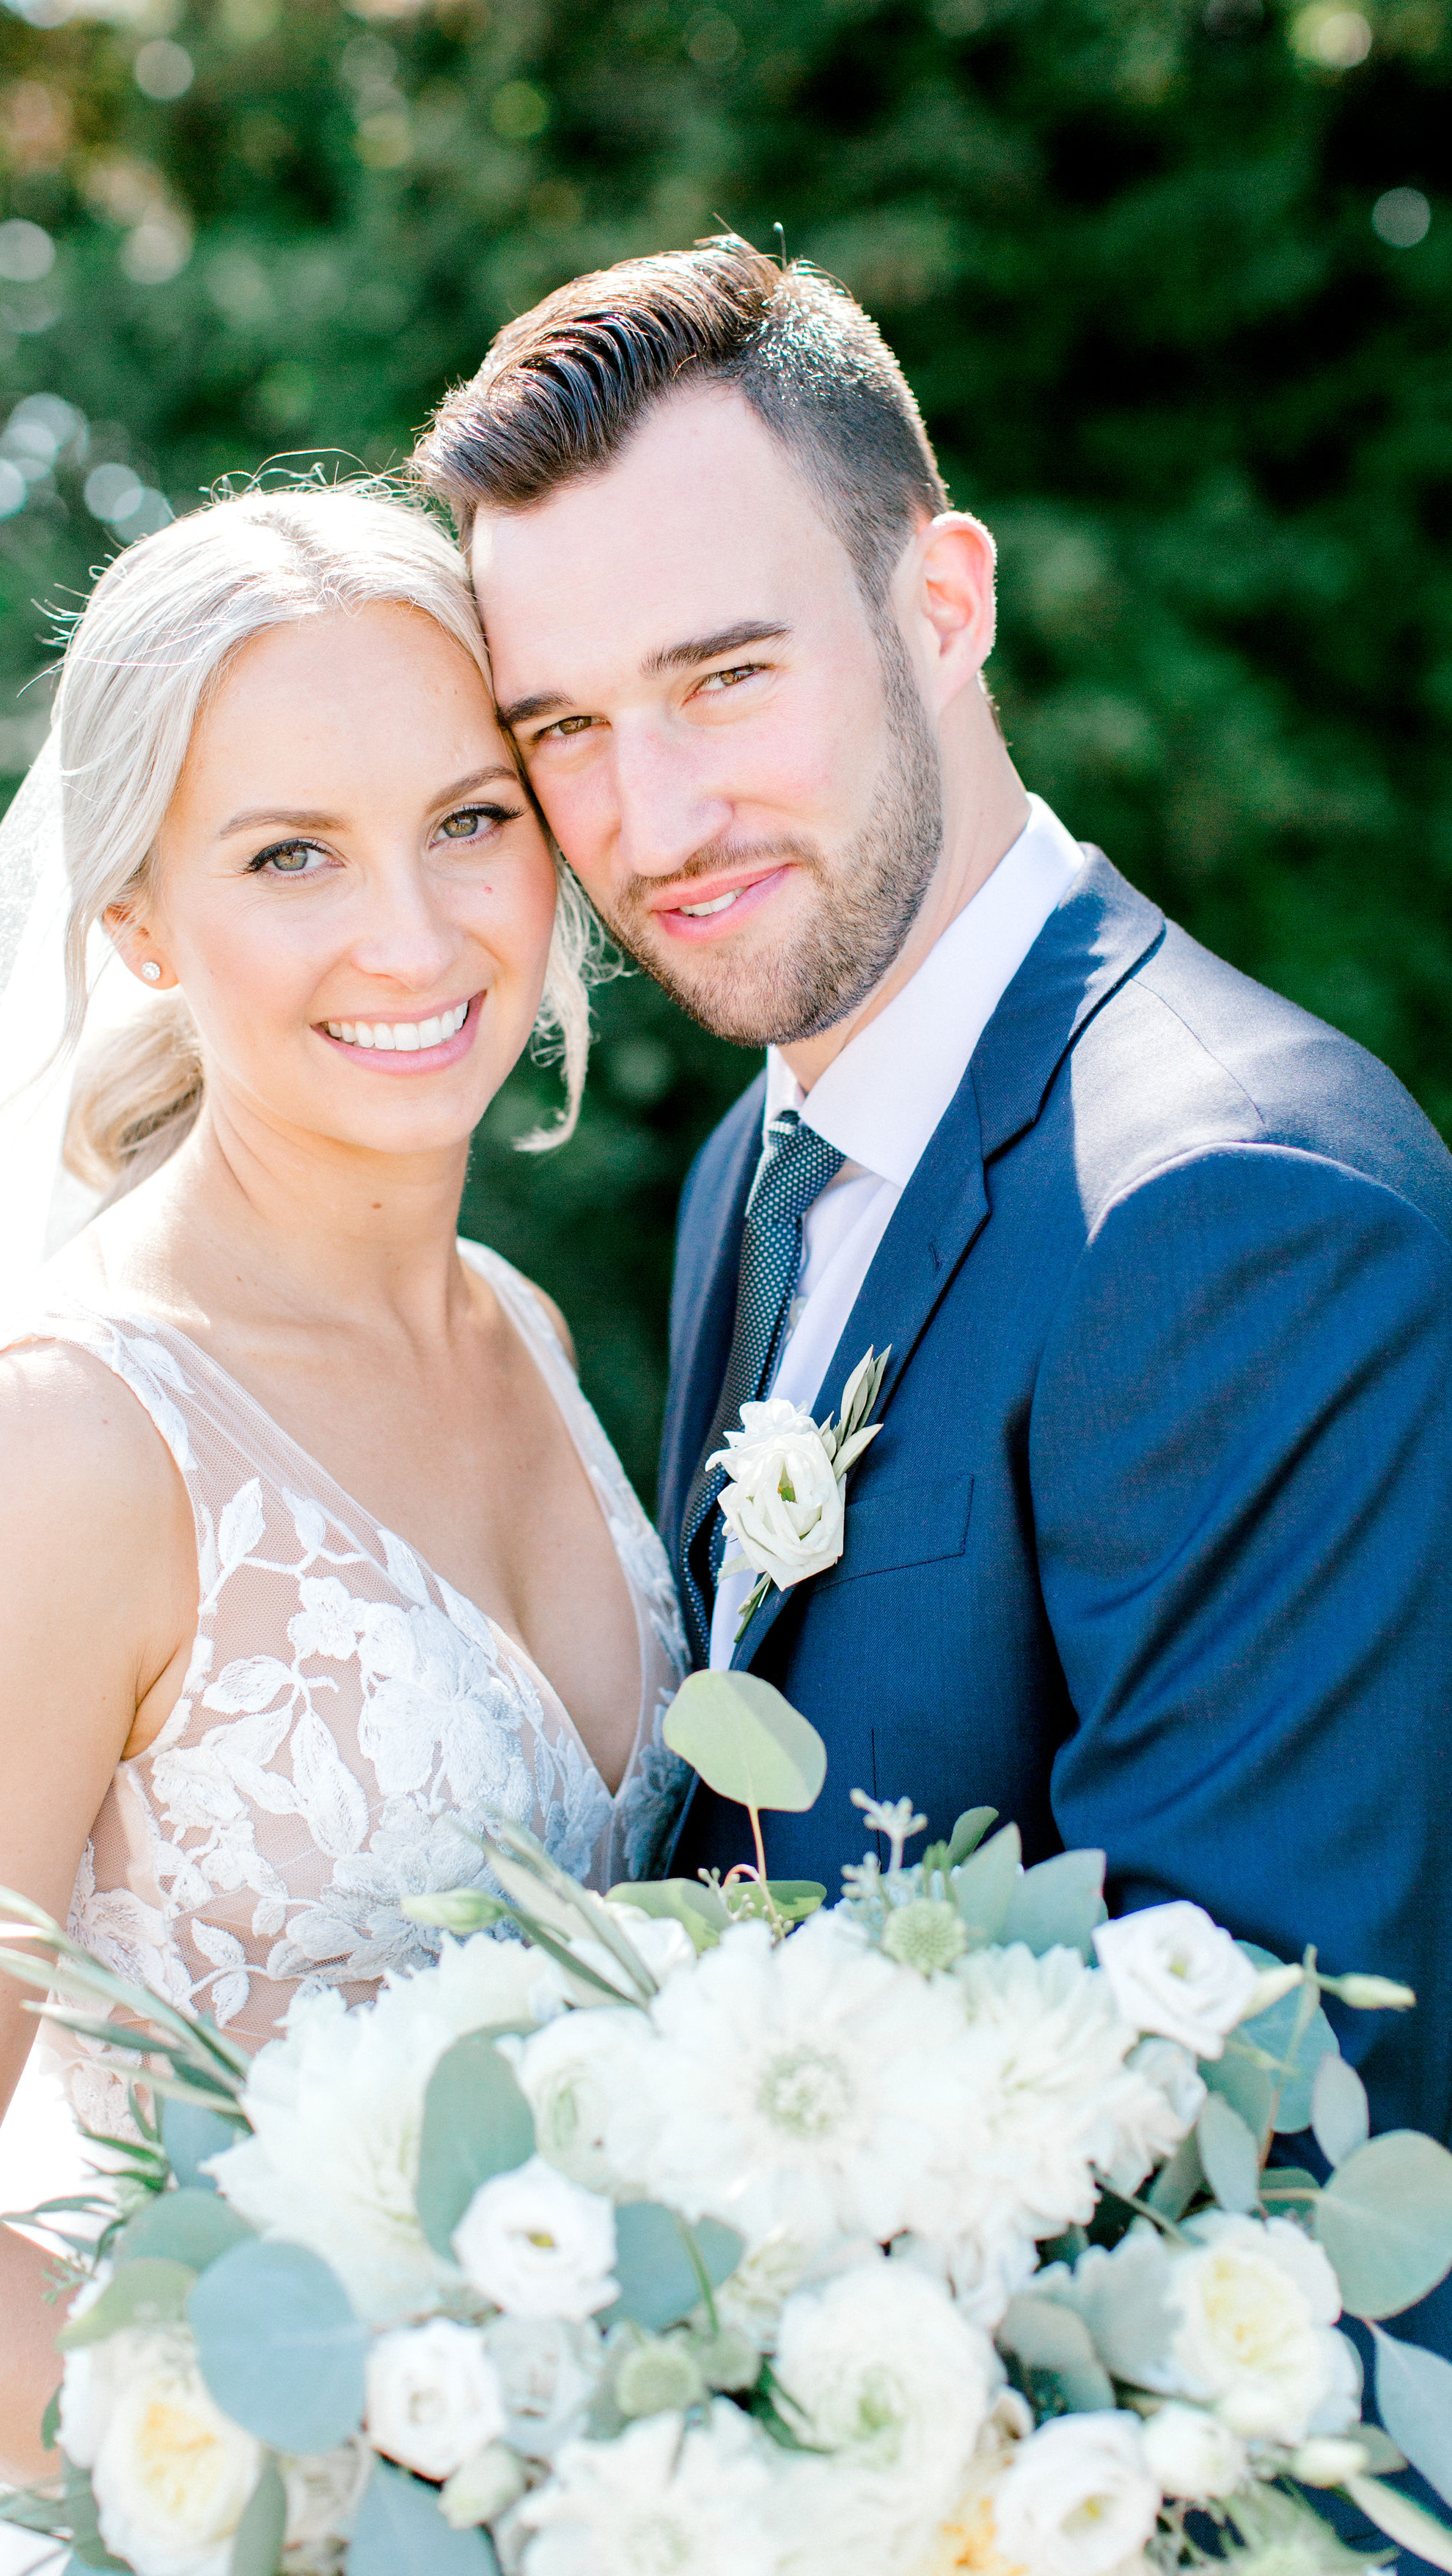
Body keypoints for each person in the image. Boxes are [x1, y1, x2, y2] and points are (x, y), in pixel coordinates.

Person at [410, 236, 1452, 2375]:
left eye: (726, 677)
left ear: (944, 604)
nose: (653, 819)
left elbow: (1245, 2169)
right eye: (566, 729)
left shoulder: (1241, 1213)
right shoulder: (754, 1167)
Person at [0, 483, 690, 2506]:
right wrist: (388, 2518)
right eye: (290, 855)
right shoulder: (65, 1455)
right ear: (140, 923)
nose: (412, 934)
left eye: (470, 819)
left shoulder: (525, 1332)